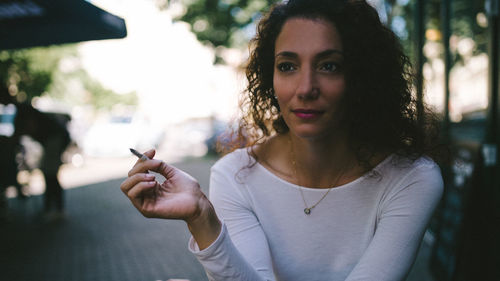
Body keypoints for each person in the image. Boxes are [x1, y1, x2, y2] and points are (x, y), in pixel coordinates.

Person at [120, 0, 444, 280]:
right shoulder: (235, 176)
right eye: (287, 66)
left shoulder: (411, 178)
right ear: (269, 77)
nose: (305, 88)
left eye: (329, 66)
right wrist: (201, 217)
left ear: (362, 77)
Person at [13, 103, 71, 215]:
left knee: (50, 174)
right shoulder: (24, 111)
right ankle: (53, 208)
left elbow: (30, 128)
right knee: (49, 173)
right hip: (54, 139)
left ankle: (55, 209)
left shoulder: (24, 112)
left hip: (55, 139)